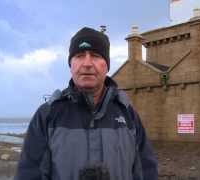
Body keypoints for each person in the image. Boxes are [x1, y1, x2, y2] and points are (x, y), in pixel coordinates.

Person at [15, 27, 158, 180]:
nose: (87, 63)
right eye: (79, 55)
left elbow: (146, 172)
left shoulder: (128, 114)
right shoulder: (47, 115)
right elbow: (29, 174)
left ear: (107, 65)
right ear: (71, 64)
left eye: (95, 55)